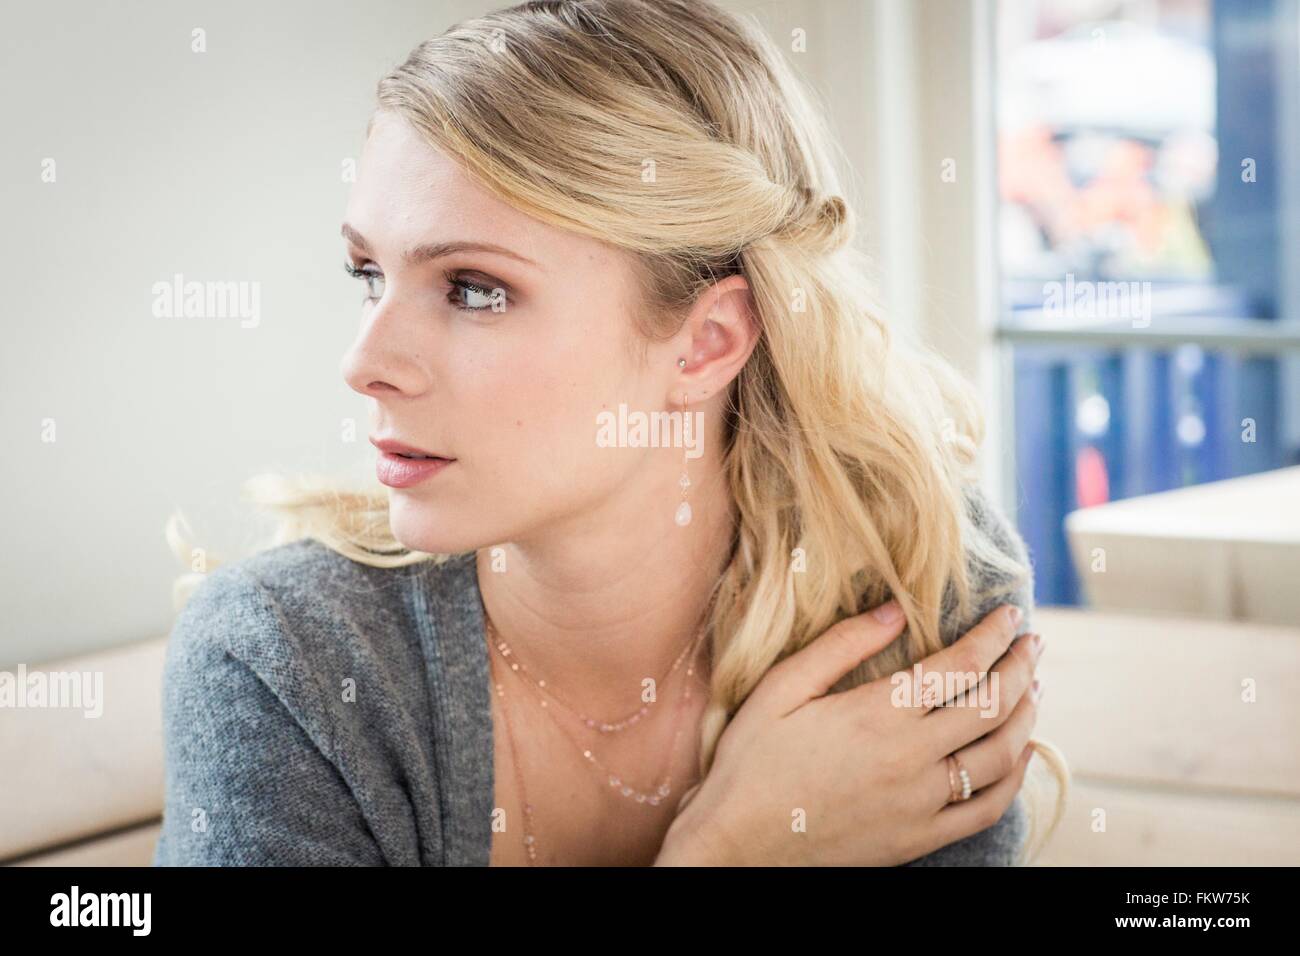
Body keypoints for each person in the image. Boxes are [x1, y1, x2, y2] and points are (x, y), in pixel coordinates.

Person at [154, 0, 1067, 867]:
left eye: (474, 289)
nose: (365, 362)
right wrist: (727, 854)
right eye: (367, 273)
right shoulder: (292, 665)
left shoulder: (916, 588)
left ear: (705, 345)